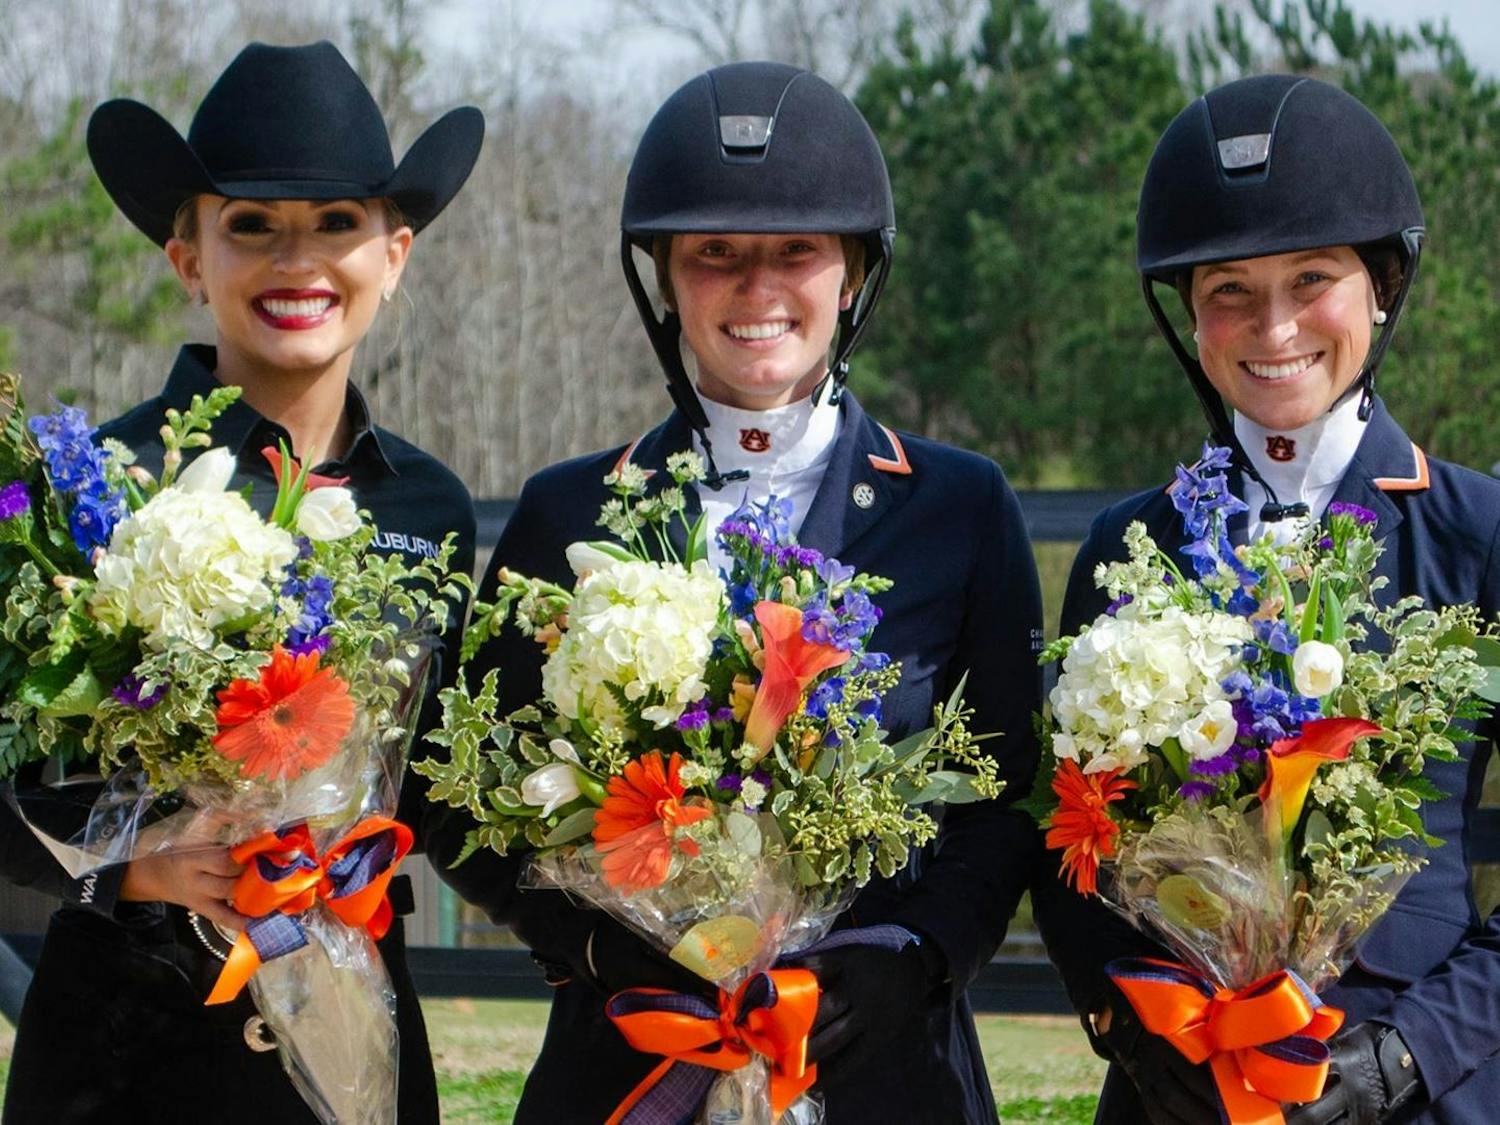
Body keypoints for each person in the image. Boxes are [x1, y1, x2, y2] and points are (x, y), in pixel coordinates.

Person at [428, 61, 1043, 1123]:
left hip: (883, 1064)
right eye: (716, 254)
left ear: (851, 272)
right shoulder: (566, 511)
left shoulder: (962, 505)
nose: (757, 288)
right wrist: (591, 942)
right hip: (630, 1059)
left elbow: (1011, 789)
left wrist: (920, 951)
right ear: (667, 277)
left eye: (795, 251)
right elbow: (458, 790)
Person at [1, 41, 481, 1124]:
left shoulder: (431, 509)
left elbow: (446, 787)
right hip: (127, 1049)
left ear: (395, 254)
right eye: (251, 226)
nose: (296, 260)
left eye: (337, 224)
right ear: (189, 259)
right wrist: (134, 869)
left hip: (353, 1020)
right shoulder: (95, 494)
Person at [1032, 73, 1500, 1124]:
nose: (1273, 323)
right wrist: (1138, 1032)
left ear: (1380, 287)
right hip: (1180, 1087)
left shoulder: (1480, 534)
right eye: (1230, 287)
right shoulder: (1128, 544)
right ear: (1190, 314)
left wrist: (1410, 1055)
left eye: (1312, 278)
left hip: (1425, 1086)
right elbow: (1071, 841)